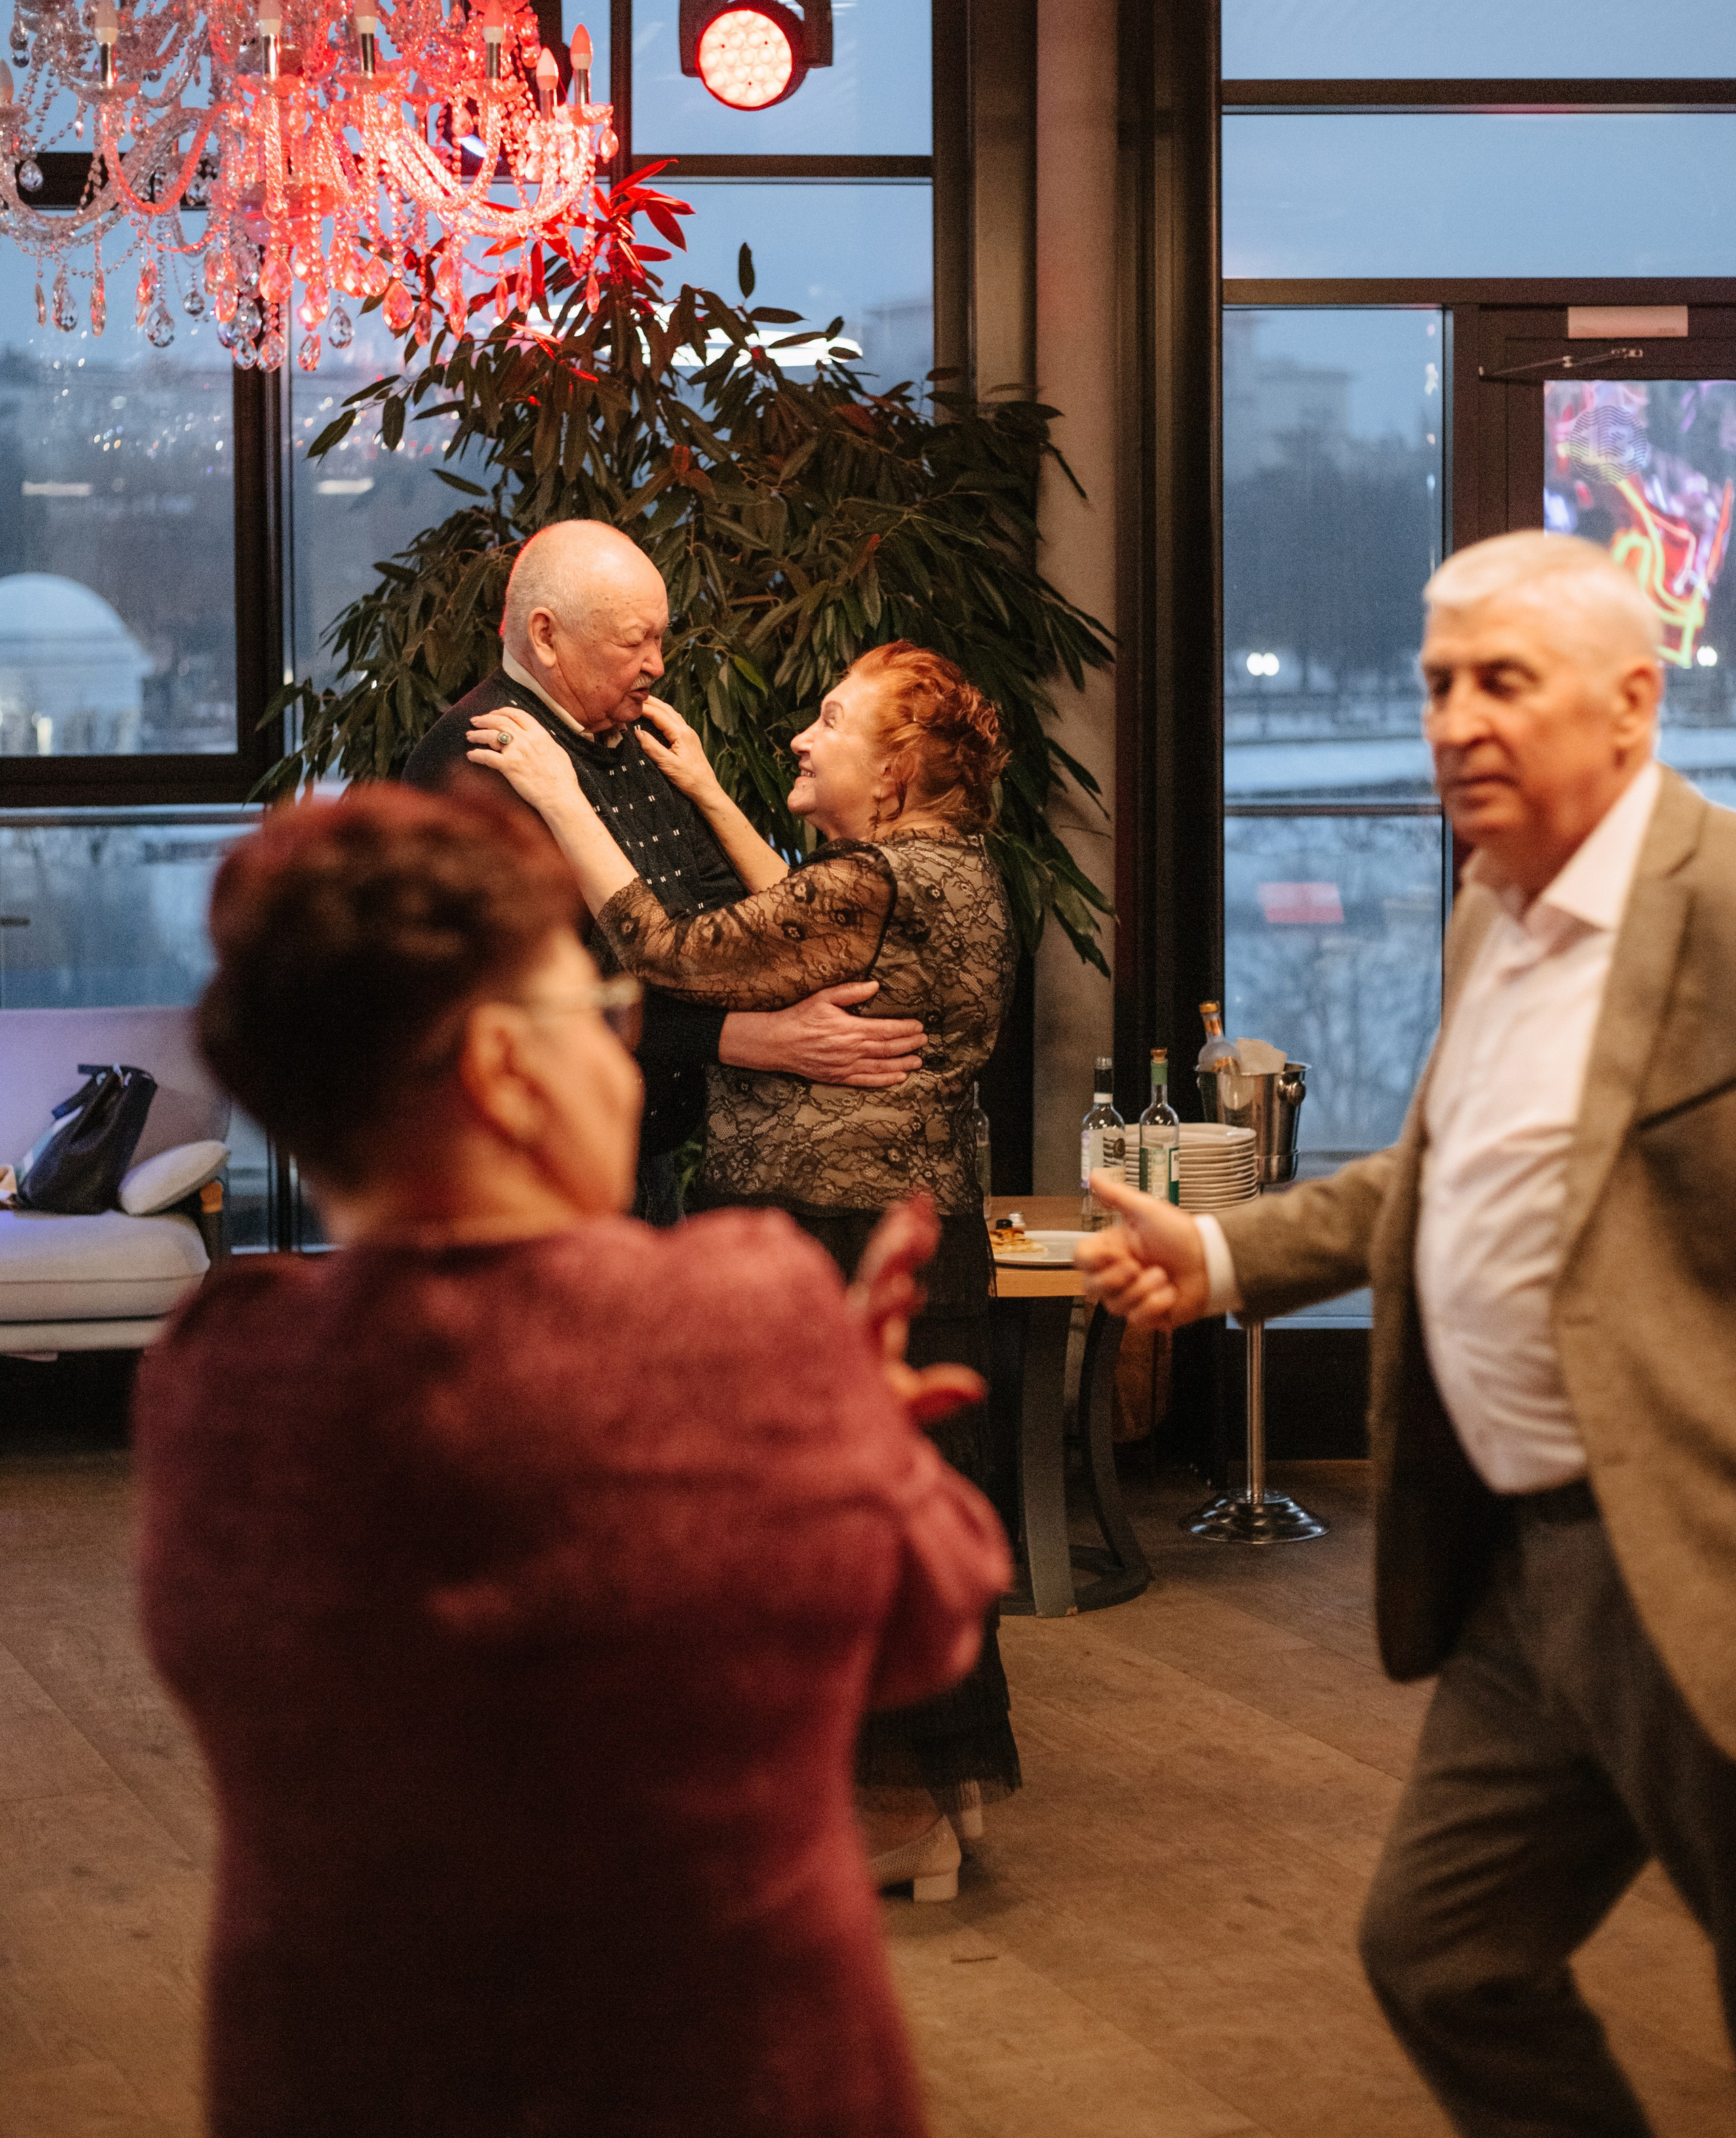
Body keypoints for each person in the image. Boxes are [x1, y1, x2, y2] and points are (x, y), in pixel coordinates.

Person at [133, 783, 1010, 2138]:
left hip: (338, 2080)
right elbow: (922, 1630)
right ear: (501, 1066)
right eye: (603, 1017)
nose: (620, 1052)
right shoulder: (744, 1311)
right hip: (718, 2081)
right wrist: (870, 1443)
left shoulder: (222, 1376)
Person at [1079, 529, 1736, 2138]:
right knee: (1444, 1954)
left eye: (1501, 681)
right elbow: (1447, 1183)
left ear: (1630, 704)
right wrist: (1223, 1250)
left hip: (1695, 1551)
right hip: (1526, 1563)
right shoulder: (1488, 913)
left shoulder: (1717, 912)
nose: (1452, 721)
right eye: (1439, 683)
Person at [466, 640, 1021, 1899]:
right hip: (911, 1228)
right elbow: (805, 940)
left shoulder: (875, 878)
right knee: (915, 1504)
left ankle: (895, 1813)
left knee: (841, 1527)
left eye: (832, 719)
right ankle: (948, 1797)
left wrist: (559, 791)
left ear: (895, 776)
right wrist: (713, 792)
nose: (803, 738)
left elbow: (679, 949)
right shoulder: (936, 871)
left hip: (838, 1231)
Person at [402, 520, 928, 1223]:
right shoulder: (479, 758)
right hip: (534, 1175)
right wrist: (758, 1039)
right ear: (547, 636)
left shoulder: (629, 733)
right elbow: (534, 992)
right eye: (633, 642)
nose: (656, 664)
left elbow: (719, 910)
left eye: (659, 638)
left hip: (642, 1161)